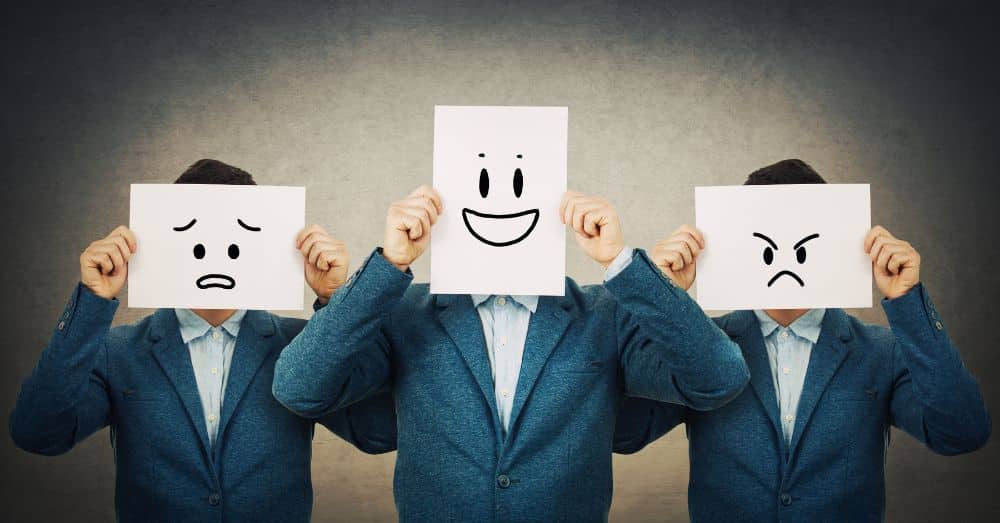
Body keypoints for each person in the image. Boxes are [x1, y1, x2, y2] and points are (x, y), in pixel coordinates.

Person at [272, 185, 750, 522]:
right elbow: (299, 388)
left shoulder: (606, 313)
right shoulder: (402, 311)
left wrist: (624, 265)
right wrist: (388, 266)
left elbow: (717, 380)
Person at [9, 159, 397, 523]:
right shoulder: (119, 351)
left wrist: (337, 305)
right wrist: (91, 303)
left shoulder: (299, 347)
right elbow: (38, 432)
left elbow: (377, 432)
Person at [614, 159, 991, 522]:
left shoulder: (881, 351)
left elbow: (961, 432)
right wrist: (662, 302)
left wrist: (908, 302)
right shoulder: (704, 350)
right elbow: (625, 433)